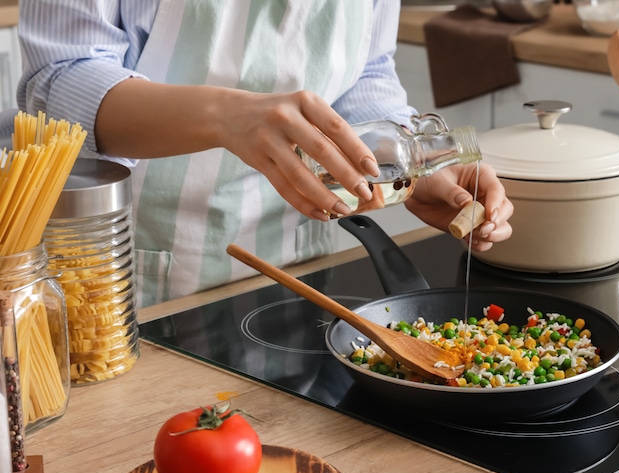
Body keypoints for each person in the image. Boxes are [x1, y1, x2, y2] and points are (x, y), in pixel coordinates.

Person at [15, 0, 513, 307]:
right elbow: (58, 79)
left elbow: (364, 70)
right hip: (124, 268)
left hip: (297, 268)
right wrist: (224, 115)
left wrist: (411, 165)